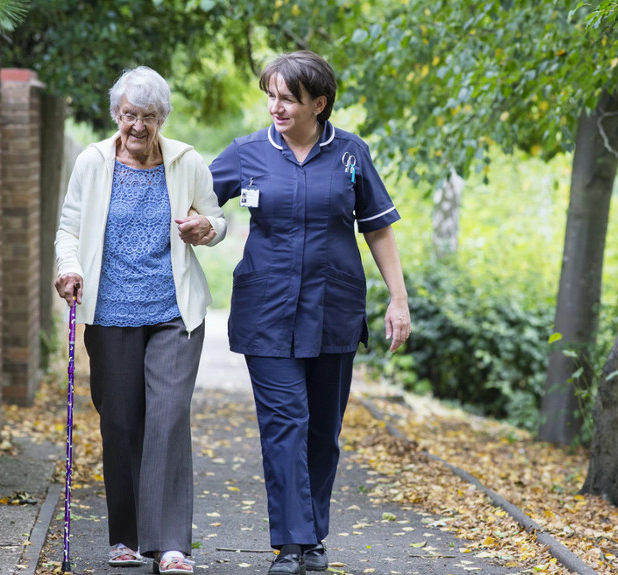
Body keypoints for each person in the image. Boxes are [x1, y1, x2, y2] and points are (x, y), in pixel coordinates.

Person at [207, 50, 412, 575]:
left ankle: (313, 535)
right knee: (285, 423)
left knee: (323, 429)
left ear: (318, 104)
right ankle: (293, 543)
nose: (275, 106)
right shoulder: (247, 152)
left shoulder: (350, 154)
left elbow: (378, 228)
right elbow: (195, 199)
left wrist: (398, 298)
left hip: (334, 308)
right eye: (270, 95)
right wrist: (203, 227)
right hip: (266, 311)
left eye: (288, 98)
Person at [54, 66, 226, 575]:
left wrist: (205, 229)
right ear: (116, 115)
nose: (137, 126)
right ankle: (127, 537)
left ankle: (171, 544)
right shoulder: (93, 162)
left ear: (162, 119)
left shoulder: (186, 162)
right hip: (110, 314)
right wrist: (69, 269)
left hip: (174, 313)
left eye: (148, 117)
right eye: (130, 115)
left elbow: (216, 218)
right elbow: (69, 228)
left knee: (168, 417)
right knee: (122, 421)